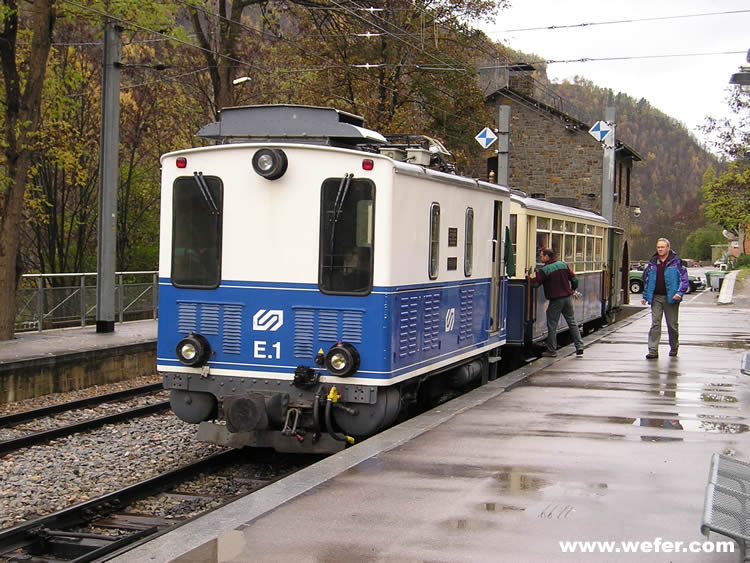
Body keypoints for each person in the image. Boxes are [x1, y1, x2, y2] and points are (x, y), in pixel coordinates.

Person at [641, 238, 689, 359]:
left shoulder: (677, 262)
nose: (660, 249)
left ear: (668, 248)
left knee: (672, 325)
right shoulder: (652, 263)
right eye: (658, 247)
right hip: (656, 297)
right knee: (655, 324)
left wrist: (679, 292)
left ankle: (674, 346)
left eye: (662, 247)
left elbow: (684, 280)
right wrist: (645, 296)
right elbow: (647, 280)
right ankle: (653, 350)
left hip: (671, 298)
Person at [531, 248, 584, 357]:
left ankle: (551, 350)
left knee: (552, 325)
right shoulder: (563, 264)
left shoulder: (545, 270)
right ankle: (579, 346)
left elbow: (535, 284)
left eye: (541, 256)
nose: (540, 258)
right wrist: (573, 289)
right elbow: (575, 279)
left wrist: (528, 279)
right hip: (567, 298)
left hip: (555, 300)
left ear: (547, 256)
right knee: (572, 322)